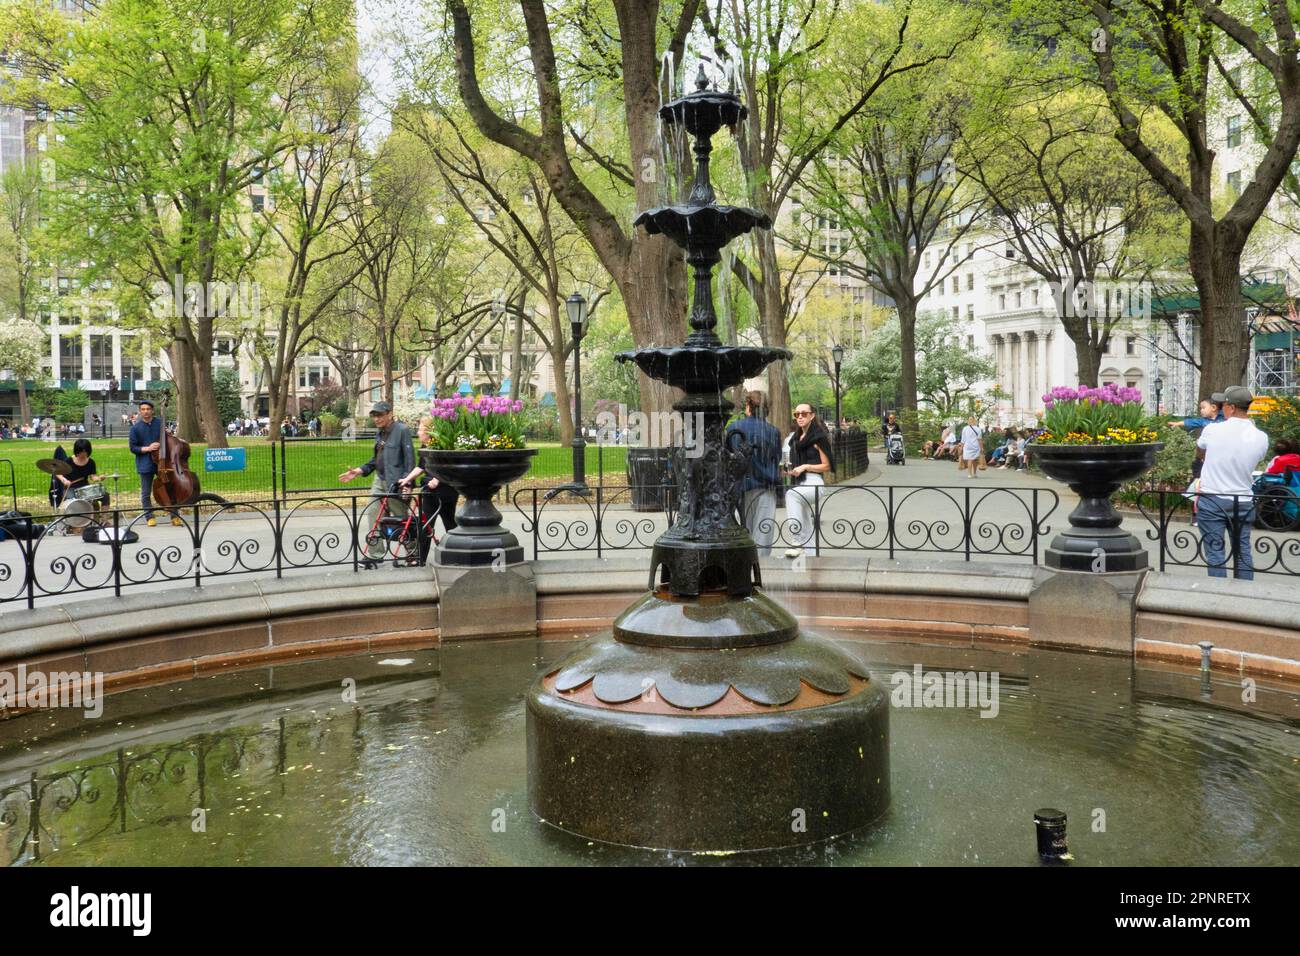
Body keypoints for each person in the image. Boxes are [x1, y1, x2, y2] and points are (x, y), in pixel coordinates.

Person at [1196, 385, 1270, 580]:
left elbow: (1200, 450)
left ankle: (1219, 598)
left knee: (1215, 553)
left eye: (1223, 405)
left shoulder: (1212, 430)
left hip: (1213, 498)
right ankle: (1244, 598)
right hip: (1243, 499)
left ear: (1231, 407)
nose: (1221, 409)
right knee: (1242, 551)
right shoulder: (1262, 437)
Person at [338, 401, 415, 563]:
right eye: (374, 416)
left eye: (380, 415)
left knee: (401, 519)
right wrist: (359, 470)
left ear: (389, 414)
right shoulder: (380, 433)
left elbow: (410, 460)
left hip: (396, 483)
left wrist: (408, 483)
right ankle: (375, 555)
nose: (377, 419)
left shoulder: (402, 430)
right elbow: (376, 459)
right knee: (373, 514)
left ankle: (413, 551)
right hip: (379, 480)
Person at [726, 390, 782, 557]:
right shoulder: (772, 431)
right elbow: (776, 458)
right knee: (763, 533)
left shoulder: (733, 428)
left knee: (742, 531)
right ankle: (760, 570)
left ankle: (742, 569)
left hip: (739, 488)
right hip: (765, 487)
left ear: (748, 405)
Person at [398, 416, 460, 564]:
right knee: (425, 525)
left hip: (445, 491)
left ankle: (458, 554)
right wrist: (407, 479)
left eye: (420, 429)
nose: (418, 432)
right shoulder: (425, 448)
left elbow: (449, 467)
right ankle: (421, 560)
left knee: (449, 523)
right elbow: (421, 466)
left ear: (429, 432)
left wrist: (437, 479)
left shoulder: (441, 445)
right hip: (429, 491)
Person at [783, 403, 834, 559]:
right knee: (806, 525)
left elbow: (827, 466)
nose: (800, 417)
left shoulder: (819, 437)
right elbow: (795, 464)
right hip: (801, 483)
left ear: (812, 415)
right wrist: (791, 471)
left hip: (814, 483)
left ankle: (796, 541)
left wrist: (805, 466)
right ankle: (813, 558)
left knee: (791, 495)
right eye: (797, 414)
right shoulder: (795, 439)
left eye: (804, 413)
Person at [128, 399, 181, 527]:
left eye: (148, 409)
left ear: (152, 411)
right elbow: (133, 448)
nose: (145, 412)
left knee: (169, 490)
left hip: (163, 463)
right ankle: (149, 517)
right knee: (146, 493)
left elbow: (170, 442)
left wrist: (169, 435)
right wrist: (148, 448)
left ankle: (174, 515)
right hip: (145, 463)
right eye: (143, 409)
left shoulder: (160, 423)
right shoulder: (135, 428)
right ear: (140, 412)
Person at [1171, 397, 1225, 479]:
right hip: (1207, 450)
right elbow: (1191, 422)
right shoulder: (1203, 421)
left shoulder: (1224, 418)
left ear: (1213, 408)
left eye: (1203, 408)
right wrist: (1177, 423)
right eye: (1200, 408)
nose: (1201, 410)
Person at [57, 438, 106, 513]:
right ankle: (77, 521)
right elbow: (58, 473)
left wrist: (99, 478)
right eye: (81, 452)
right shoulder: (68, 461)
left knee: (105, 495)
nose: (83, 454)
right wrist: (64, 480)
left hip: (85, 489)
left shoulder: (91, 462)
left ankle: (104, 520)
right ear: (76, 451)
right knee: (74, 504)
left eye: (85, 452)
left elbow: (93, 477)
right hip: (71, 488)